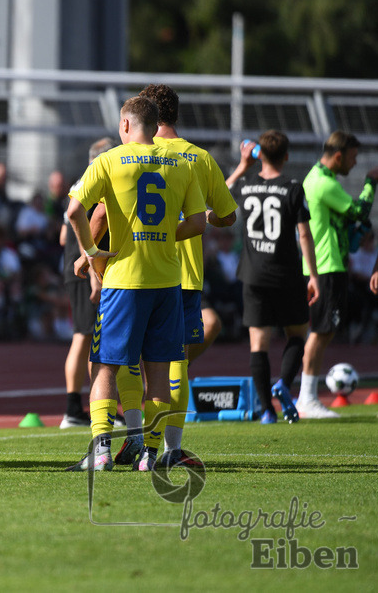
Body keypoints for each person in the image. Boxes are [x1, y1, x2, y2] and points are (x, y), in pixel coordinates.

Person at [65, 96, 206, 472]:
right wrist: (159, 235)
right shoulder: (180, 163)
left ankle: (100, 453)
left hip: (124, 281)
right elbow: (198, 223)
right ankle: (149, 454)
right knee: (159, 371)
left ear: (126, 125)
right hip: (167, 280)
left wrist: (91, 251)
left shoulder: (110, 159)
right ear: (155, 124)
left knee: (105, 367)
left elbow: (75, 211)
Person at [113, 83, 236, 467]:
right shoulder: (197, 158)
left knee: (129, 360)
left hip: (134, 270)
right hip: (183, 276)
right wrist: (204, 218)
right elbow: (227, 215)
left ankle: (134, 435)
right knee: (174, 365)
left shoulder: (130, 153)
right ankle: (167, 449)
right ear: (176, 114)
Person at [225, 130, 319, 424]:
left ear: (259, 155)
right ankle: (284, 383)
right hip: (287, 274)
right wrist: (312, 274)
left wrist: (242, 165)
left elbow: (219, 195)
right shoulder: (293, 187)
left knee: (258, 343)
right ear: (287, 156)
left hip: (253, 275)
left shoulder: (246, 183)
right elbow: (303, 233)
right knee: (297, 333)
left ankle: (267, 410)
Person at [299, 130, 378, 418]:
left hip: (325, 264)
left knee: (324, 330)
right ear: (338, 156)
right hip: (327, 264)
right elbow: (359, 211)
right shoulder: (324, 183)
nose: (354, 163)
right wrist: (372, 181)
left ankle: (305, 397)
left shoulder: (318, 177)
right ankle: (307, 398)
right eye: (352, 157)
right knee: (321, 331)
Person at [58, 137, 113, 429]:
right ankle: (95, 407)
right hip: (86, 269)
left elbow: (64, 235)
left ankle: (75, 407)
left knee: (83, 334)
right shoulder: (96, 183)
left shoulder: (77, 185)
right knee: (89, 336)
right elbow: (88, 231)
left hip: (73, 267)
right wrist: (94, 274)